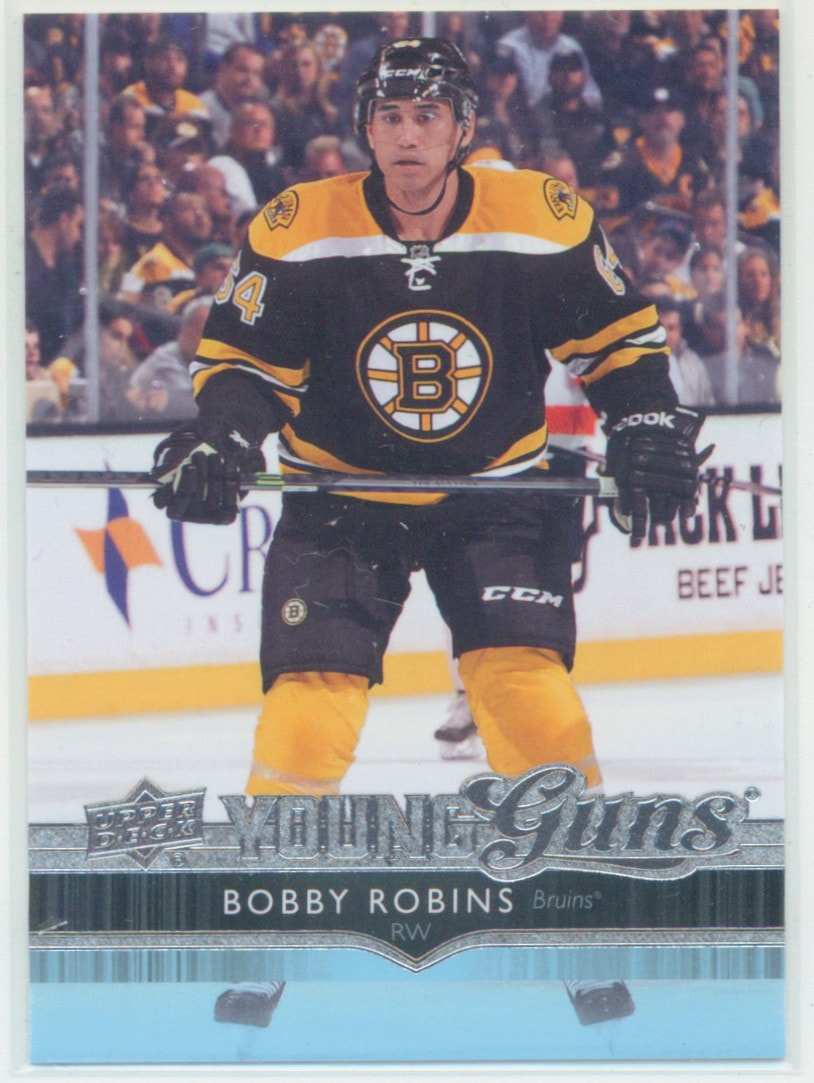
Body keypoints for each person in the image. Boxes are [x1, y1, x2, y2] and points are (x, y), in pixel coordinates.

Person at [149, 39, 708, 799]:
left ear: (463, 127)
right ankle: (279, 855)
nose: (407, 135)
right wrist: (223, 435)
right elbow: (246, 366)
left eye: (427, 115)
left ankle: (570, 854)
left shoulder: (540, 218)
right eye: (390, 116)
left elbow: (618, 343)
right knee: (305, 717)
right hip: (340, 497)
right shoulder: (297, 226)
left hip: (497, 494)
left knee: (532, 702)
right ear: (366, 128)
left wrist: (644, 421)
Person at [199, 43, 268, 150]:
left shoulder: (258, 113)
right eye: (243, 70)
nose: (250, 78)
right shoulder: (201, 107)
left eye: (256, 73)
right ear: (223, 69)